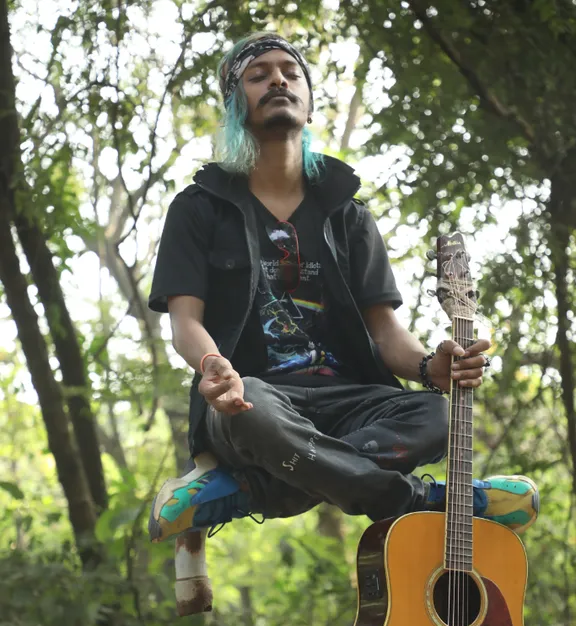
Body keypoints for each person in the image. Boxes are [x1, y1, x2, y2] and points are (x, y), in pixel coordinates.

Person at [147, 33, 538, 544]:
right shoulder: (198, 208)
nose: (278, 80)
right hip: (252, 398)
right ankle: (426, 500)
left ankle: (252, 492)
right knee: (258, 414)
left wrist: (429, 366)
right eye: (258, 75)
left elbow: (385, 332)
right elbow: (185, 323)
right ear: (234, 104)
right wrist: (213, 367)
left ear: (309, 101)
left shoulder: (349, 215)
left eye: (290, 71)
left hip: (349, 404)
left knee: (437, 414)